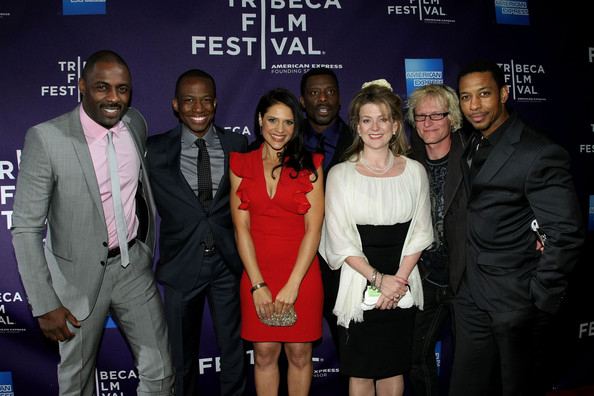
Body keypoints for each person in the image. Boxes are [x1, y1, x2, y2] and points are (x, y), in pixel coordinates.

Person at [11, 50, 174, 395]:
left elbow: (139, 194)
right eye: (103, 87)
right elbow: (26, 228)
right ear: (82, 87)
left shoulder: (135, 124)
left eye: (123, 89)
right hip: (76, 281)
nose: (114, 98)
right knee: (78, 382)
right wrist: (44, 303)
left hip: (133, 268)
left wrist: (143, 249)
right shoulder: (47, 139)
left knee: (160, 372)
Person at [449, 58, 584, 395]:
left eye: (484, 94)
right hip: (470, 294)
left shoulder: (538, 151)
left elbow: (566, 233)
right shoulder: (473, 143)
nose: (474, 105)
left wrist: (539, 297)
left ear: (504, 93)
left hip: (516, 300)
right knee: (465, 386)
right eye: (465, 97)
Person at [319, 79, 433, 396]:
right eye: (367, 120)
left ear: (396, 125)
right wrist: (378, 280)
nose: (375, 127)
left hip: (403, 281)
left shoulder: (414, 171)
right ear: (356, 125)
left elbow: (421, 233)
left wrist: (397, 281)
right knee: (360, 372)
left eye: (383, 119)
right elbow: (338, 240)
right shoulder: (340, 174)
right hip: (358, 282)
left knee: (393, 368)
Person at [147, 69, 248, 396]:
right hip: (181, 266)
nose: (198, 107)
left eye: (205, 99)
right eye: (189, 100)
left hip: (227, 266)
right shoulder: (155, 150)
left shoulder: (237, 144)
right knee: (181, 359)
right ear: (176, 105)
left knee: (234, 354)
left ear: (216, 103)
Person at [229, 88, 324, 396]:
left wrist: (294, 283)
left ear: (297, 126)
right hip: (257, 274)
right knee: (265, 354)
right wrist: (257, 285)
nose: (279, 130)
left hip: (302, 274)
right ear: (260, 120)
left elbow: (314, 228)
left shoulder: (311, 165)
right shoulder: (240, 165)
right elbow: (241, 229)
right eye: (272, 120)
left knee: (299, 354)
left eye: (288, 122)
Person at [405, 84, 467, 396]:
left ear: (453, 119)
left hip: (466, 278)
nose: (428, 122)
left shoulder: (474, 156)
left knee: (471, 362)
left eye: (436, 115)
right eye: (421, 116)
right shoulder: (405, 161)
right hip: (424, 277)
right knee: (414, 356)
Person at [300, 67, 354, 372]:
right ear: (302, 100)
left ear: (339, 97)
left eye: (330, 91)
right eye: (314, 92)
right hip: (298, 267)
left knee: (354, 355)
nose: (323, 99)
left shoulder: (361, 142)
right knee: (292, 355)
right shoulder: (282, 144)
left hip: (347, 268)